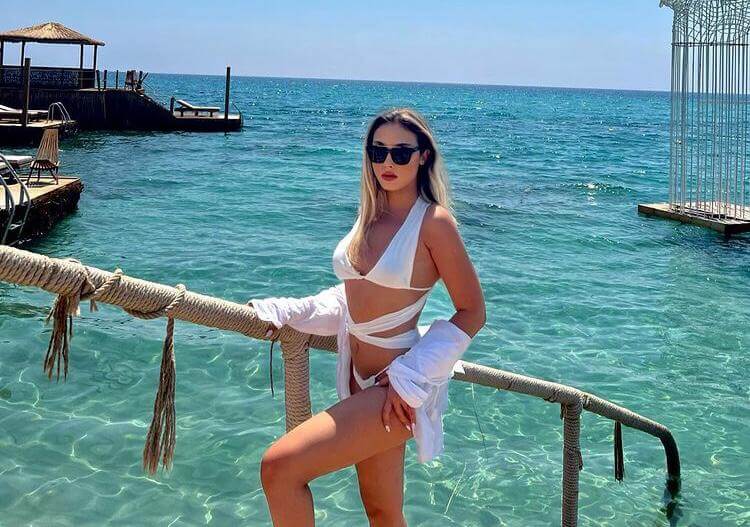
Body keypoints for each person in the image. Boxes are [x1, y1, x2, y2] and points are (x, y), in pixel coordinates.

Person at [258, 107, 486, 526]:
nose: (387, 162)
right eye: (378, 152)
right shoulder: (371, 214)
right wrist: (290, 311)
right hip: (356, 378)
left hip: (396, 390)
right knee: (383, 513)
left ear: (423, 156)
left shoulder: (434, 223)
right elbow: (353, 297)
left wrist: (408, 378)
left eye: (401, 152)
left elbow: (473, 312)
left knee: (279, 468)